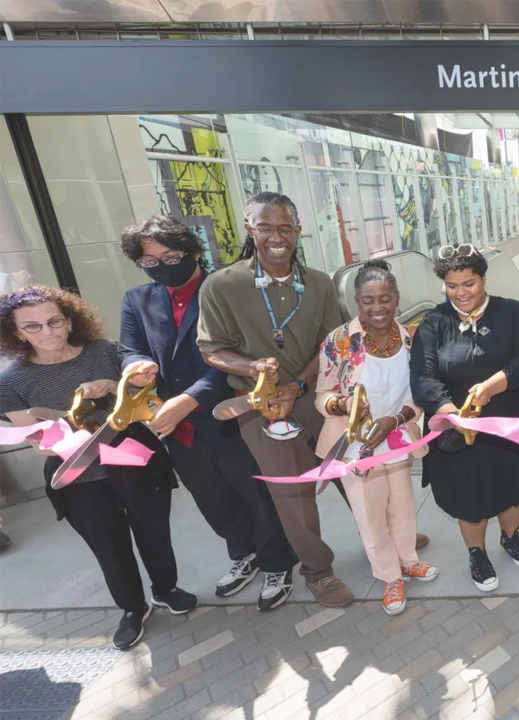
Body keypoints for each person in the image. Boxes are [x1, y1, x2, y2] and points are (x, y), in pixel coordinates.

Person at [0, 286, 196, 650]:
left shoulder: (105, 351)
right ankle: (132, 608)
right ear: (16, 332)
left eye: (54, 321)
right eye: (32, 326)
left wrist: (116, 385)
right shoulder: (10, 382)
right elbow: (38, 440)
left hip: (135, 459)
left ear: (70, 319)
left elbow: (141, 391)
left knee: (154, 531)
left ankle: (166, 588)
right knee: (108, 545)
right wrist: (62, 435)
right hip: (78, 474)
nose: (47, 332)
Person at [118, 216, 298, 611]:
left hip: (231, 413)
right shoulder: (137, 300)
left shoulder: (227, 290)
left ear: (194, 253)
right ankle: (244, 552)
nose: (162, 267)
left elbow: (245, 354)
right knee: (212, 498)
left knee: (257, 494)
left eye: (171, 257)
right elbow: (129, 349)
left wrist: (191, 398)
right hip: (176, 425)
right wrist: (136, 367)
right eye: (150, 262)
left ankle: (277, 561)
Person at [197, 192, 355, 608]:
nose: (276, 237)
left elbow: (331, 344)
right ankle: (318, 572)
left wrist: (298, 385)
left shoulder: (319, 283)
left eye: (285, 228)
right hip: (260, 407)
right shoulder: (221, 285)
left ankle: (386, 537)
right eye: (265, 228)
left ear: (298, 231)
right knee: (293, 494)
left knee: (355, 469)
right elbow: (211, 349)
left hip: (319, 395)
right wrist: (252, 368)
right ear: (250, 229)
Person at [410, 244, 519, 592]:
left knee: (511, 485)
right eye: (452, 286)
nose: (461, 293)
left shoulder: (512, 313)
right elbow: (423, 377)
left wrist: (490, 387)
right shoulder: (433, 323)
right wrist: (451, 412)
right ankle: (477, 553)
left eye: (469, 283)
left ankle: (511, 538)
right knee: (468, 493)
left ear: (484, 278)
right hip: (458, 429)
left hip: (508, 419)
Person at [315, 259, 437, 615]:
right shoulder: (339, 341)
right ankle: (389, 576)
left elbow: (422, 391)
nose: (377, 308)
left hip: (398, 439)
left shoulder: (413, 338)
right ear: (356, 301)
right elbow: (322, 396)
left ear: (396, 299)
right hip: (356, 447)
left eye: (385, 299)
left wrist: (396, 419)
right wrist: (342, 404)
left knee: (402, 508)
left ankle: (407, 560)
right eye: (368, 301)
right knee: (370, 516)